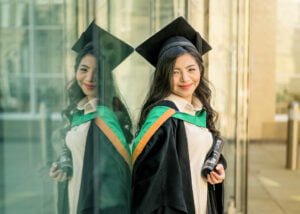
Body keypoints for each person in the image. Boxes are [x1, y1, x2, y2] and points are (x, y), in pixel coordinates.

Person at [131, 17, 227, 214]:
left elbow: (201, 151)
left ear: (200, 69)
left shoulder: (197, 110)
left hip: (201, 200)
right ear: (164, 75)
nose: (185, 78)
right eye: (175, 72)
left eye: (191, 69)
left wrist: (218, 168)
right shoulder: (163, 119)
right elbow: (148, 182)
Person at [49, 20, 133, 214]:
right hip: (75, 192)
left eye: (98, 72)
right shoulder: (80, 112)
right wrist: (63, 166)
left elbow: (114, 178)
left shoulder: (104, 116)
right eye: (84, 69)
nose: (89, 78)